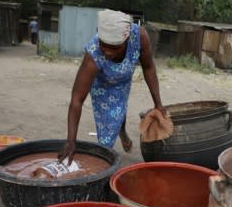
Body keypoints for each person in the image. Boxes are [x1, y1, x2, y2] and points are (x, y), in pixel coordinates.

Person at [58, 9, 166, 164]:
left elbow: (148, 67)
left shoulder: (139, 37)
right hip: (103, 84)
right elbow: (77, 100)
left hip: (123, 80)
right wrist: (70, 141)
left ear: (127, 39)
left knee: (120, 108)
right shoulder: (94, 54)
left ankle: (121, 131)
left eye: (115, 48)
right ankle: (104, 159)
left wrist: (158, 104)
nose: (108, 52)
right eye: (104, 46)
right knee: (109, 126)